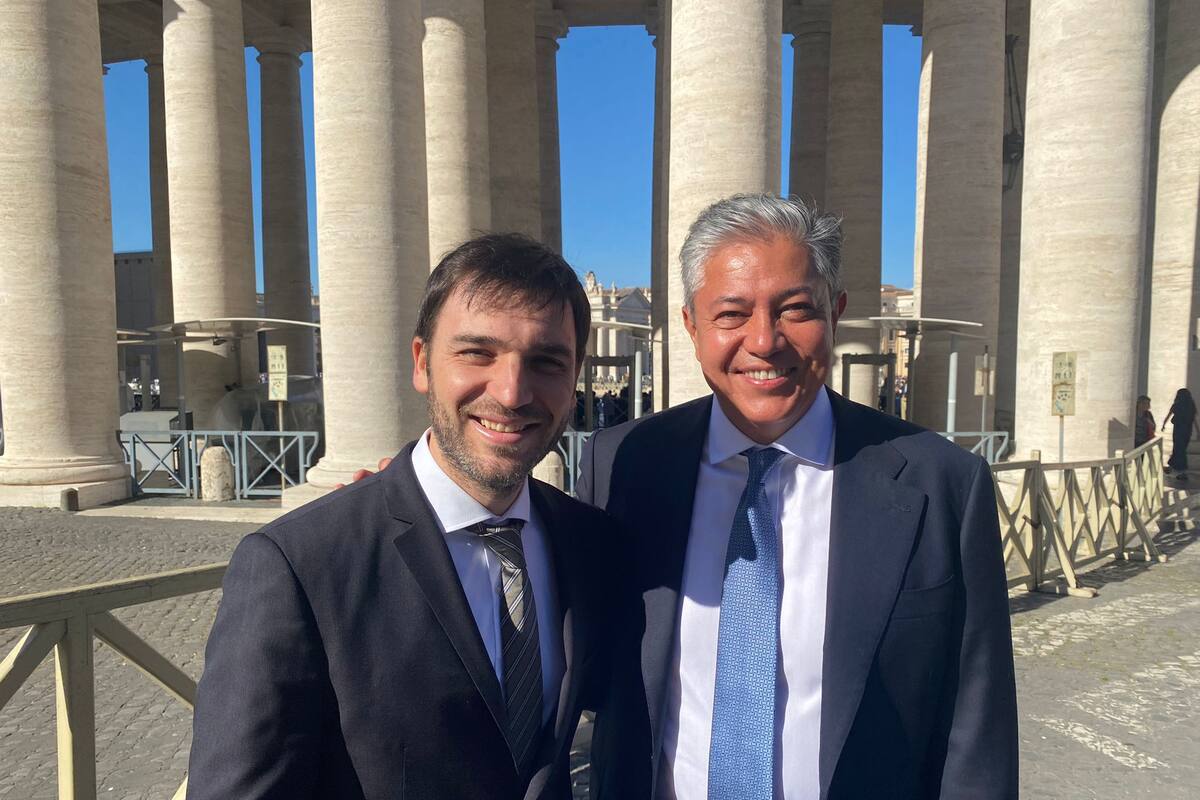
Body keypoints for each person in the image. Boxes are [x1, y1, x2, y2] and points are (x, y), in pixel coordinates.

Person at [577, 194, 1018, 799]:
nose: (765, 341)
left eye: (795, 310)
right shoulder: (622, 464)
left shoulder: (943, 483)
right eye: (732, 314)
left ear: (835, 314)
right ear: (691, 326)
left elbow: (977, 726)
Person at [187, 234, 627, 799]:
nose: (513, 392)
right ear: (422, 363)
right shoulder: (299, 564)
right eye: (477, 353)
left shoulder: (588, 540)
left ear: (574, 379)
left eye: (546, 361)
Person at [1163, 388, 1200, 477]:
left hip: (1178, 431)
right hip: (1187, 432)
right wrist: (1198, 432)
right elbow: (1194, 420)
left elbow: (1169, 414)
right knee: (1180, 450)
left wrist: (1163, 424)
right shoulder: (1191, 406)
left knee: (1179, 450)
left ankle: (1182, 471)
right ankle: (1171, 466)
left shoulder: (1176, 405)